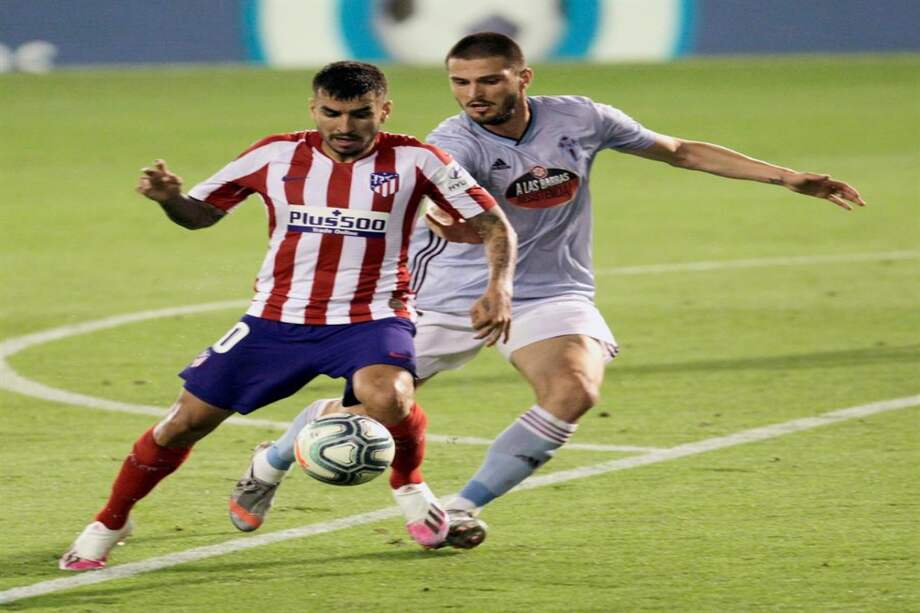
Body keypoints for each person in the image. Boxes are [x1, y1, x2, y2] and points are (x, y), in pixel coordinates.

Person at [233, 33, 866, 549]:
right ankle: (272, 461)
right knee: (367, 412)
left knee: (574, 389)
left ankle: (460, 508)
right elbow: (443, 220)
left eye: (488, 80)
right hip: (445, 295)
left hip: (551, 289)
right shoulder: (452, 143)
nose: (473, 95)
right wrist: (467, 244)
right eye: (460, 83)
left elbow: (679, 151)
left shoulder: (581, 118)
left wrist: (785, 177)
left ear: (522, 77)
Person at [58, 60, 517, 571]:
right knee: (181, 425)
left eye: (361, 114)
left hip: (370, 316)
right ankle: (111, 521)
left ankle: (409, 487)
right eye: (332, 113)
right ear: (313, 108)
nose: (345, 127)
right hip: (276, 319)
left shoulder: (418, 160)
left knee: (389, 396)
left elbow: (494, 225)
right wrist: (170, 200)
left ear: (384, 111)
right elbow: (201, 214)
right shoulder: (275, 154)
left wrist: (499, 286)